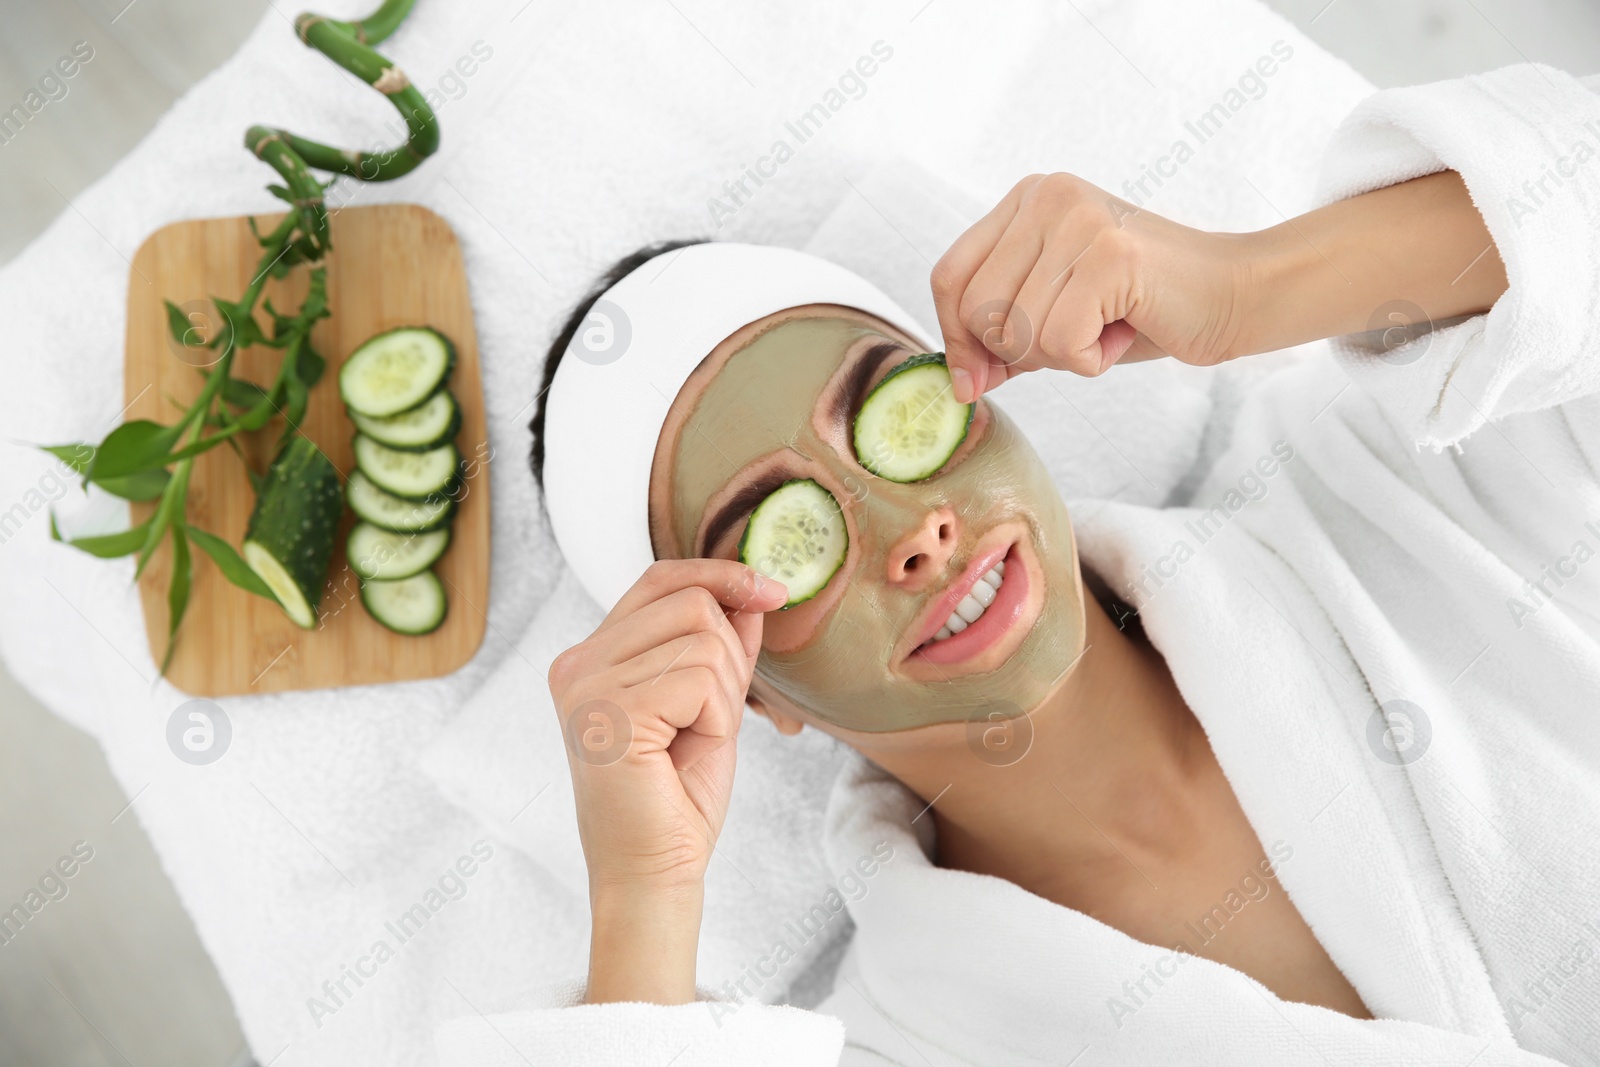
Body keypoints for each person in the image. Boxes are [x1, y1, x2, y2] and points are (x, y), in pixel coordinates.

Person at [442, 63, 1600, 1067]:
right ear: (750, 694)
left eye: (892, 416)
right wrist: (643, 899)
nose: (910, 530)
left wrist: (1247, 286)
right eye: (781, 538)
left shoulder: (1409, 482)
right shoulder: (911, 1039)